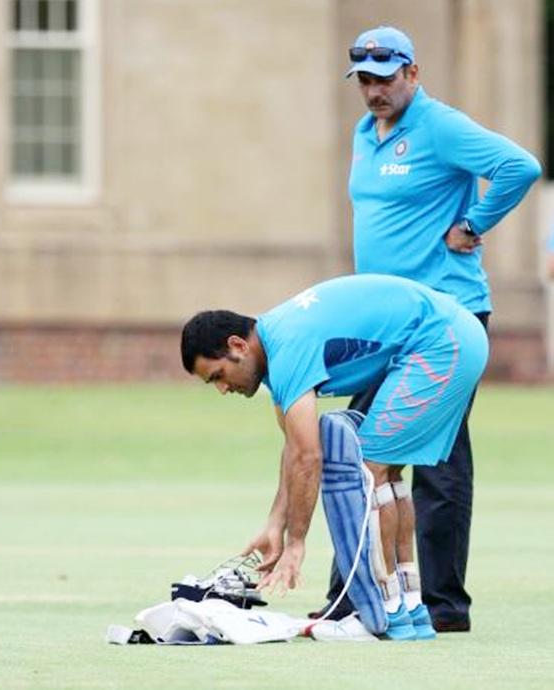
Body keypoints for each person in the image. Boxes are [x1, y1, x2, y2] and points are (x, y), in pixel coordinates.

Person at [314, 26, 542, 633]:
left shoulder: (438, 126)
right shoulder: (366, 135)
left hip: (446, 318)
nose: (375, 90)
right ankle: (357, 595)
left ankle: (441, 606)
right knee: (358, 454)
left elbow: (519, 166)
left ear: (413, 73)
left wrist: (473, 221)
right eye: (365, 79)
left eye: (386, 77)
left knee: (436, 460)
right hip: (386, 322)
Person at [181, 274, 489, 640]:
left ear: (238, 345)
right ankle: (410, 609)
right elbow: (295, 449)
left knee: (368, 471)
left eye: (218, 375)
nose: (222, 389)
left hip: (442, 342)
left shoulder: (287, 346)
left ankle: (384, 614)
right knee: (384, 474)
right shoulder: (277, 345)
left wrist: (297, 542)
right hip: (455, 335)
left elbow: (310, 458)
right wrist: (275, 526)